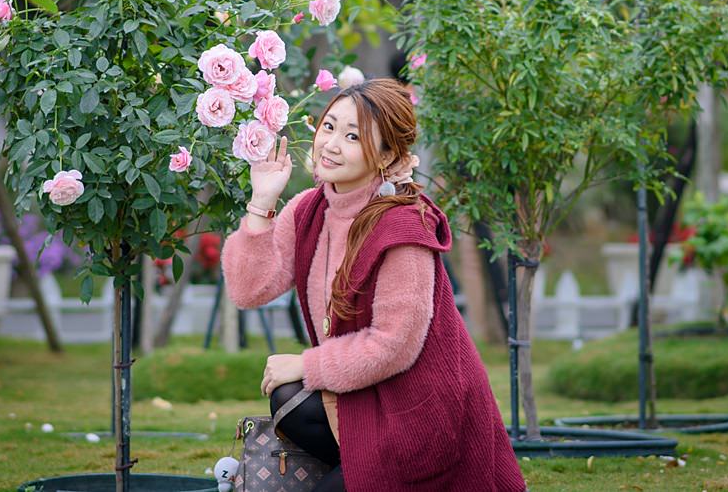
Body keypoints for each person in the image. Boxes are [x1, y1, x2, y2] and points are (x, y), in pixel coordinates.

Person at [221, 78, 526, 492]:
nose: (330, 144)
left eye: (352, 136)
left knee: (298, 386)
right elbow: (248, 288)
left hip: (421, 412)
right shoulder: (311, 209)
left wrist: (307, 364)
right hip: (369, 398)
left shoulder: (403, 225)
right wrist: (261, 203)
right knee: (287, 399)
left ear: (386, 155)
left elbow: (394, 344)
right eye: (329, 127)